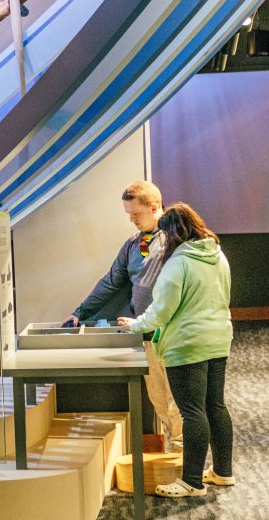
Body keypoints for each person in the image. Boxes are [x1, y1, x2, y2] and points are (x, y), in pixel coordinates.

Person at [118, 203, 234, 498]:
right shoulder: (217, 254)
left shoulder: (178, 262)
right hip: (218, 339)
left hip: (187, 344)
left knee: (192, 412)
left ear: (171, 233)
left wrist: (134, 325)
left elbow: (161, 311)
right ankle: (222, 473)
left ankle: (192, 482)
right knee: (215, 407)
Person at [63, 181, 184, 451]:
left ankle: (187, 466)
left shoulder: (178, 241)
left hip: (176, 335)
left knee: (180, 404)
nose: (131, 219)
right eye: (128, 214)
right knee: (160, 400)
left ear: (154, 208)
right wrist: (79, 312)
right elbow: (111, 282)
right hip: (146, 334)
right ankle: (175, 458)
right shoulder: (133, 244)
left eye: (136, 214)